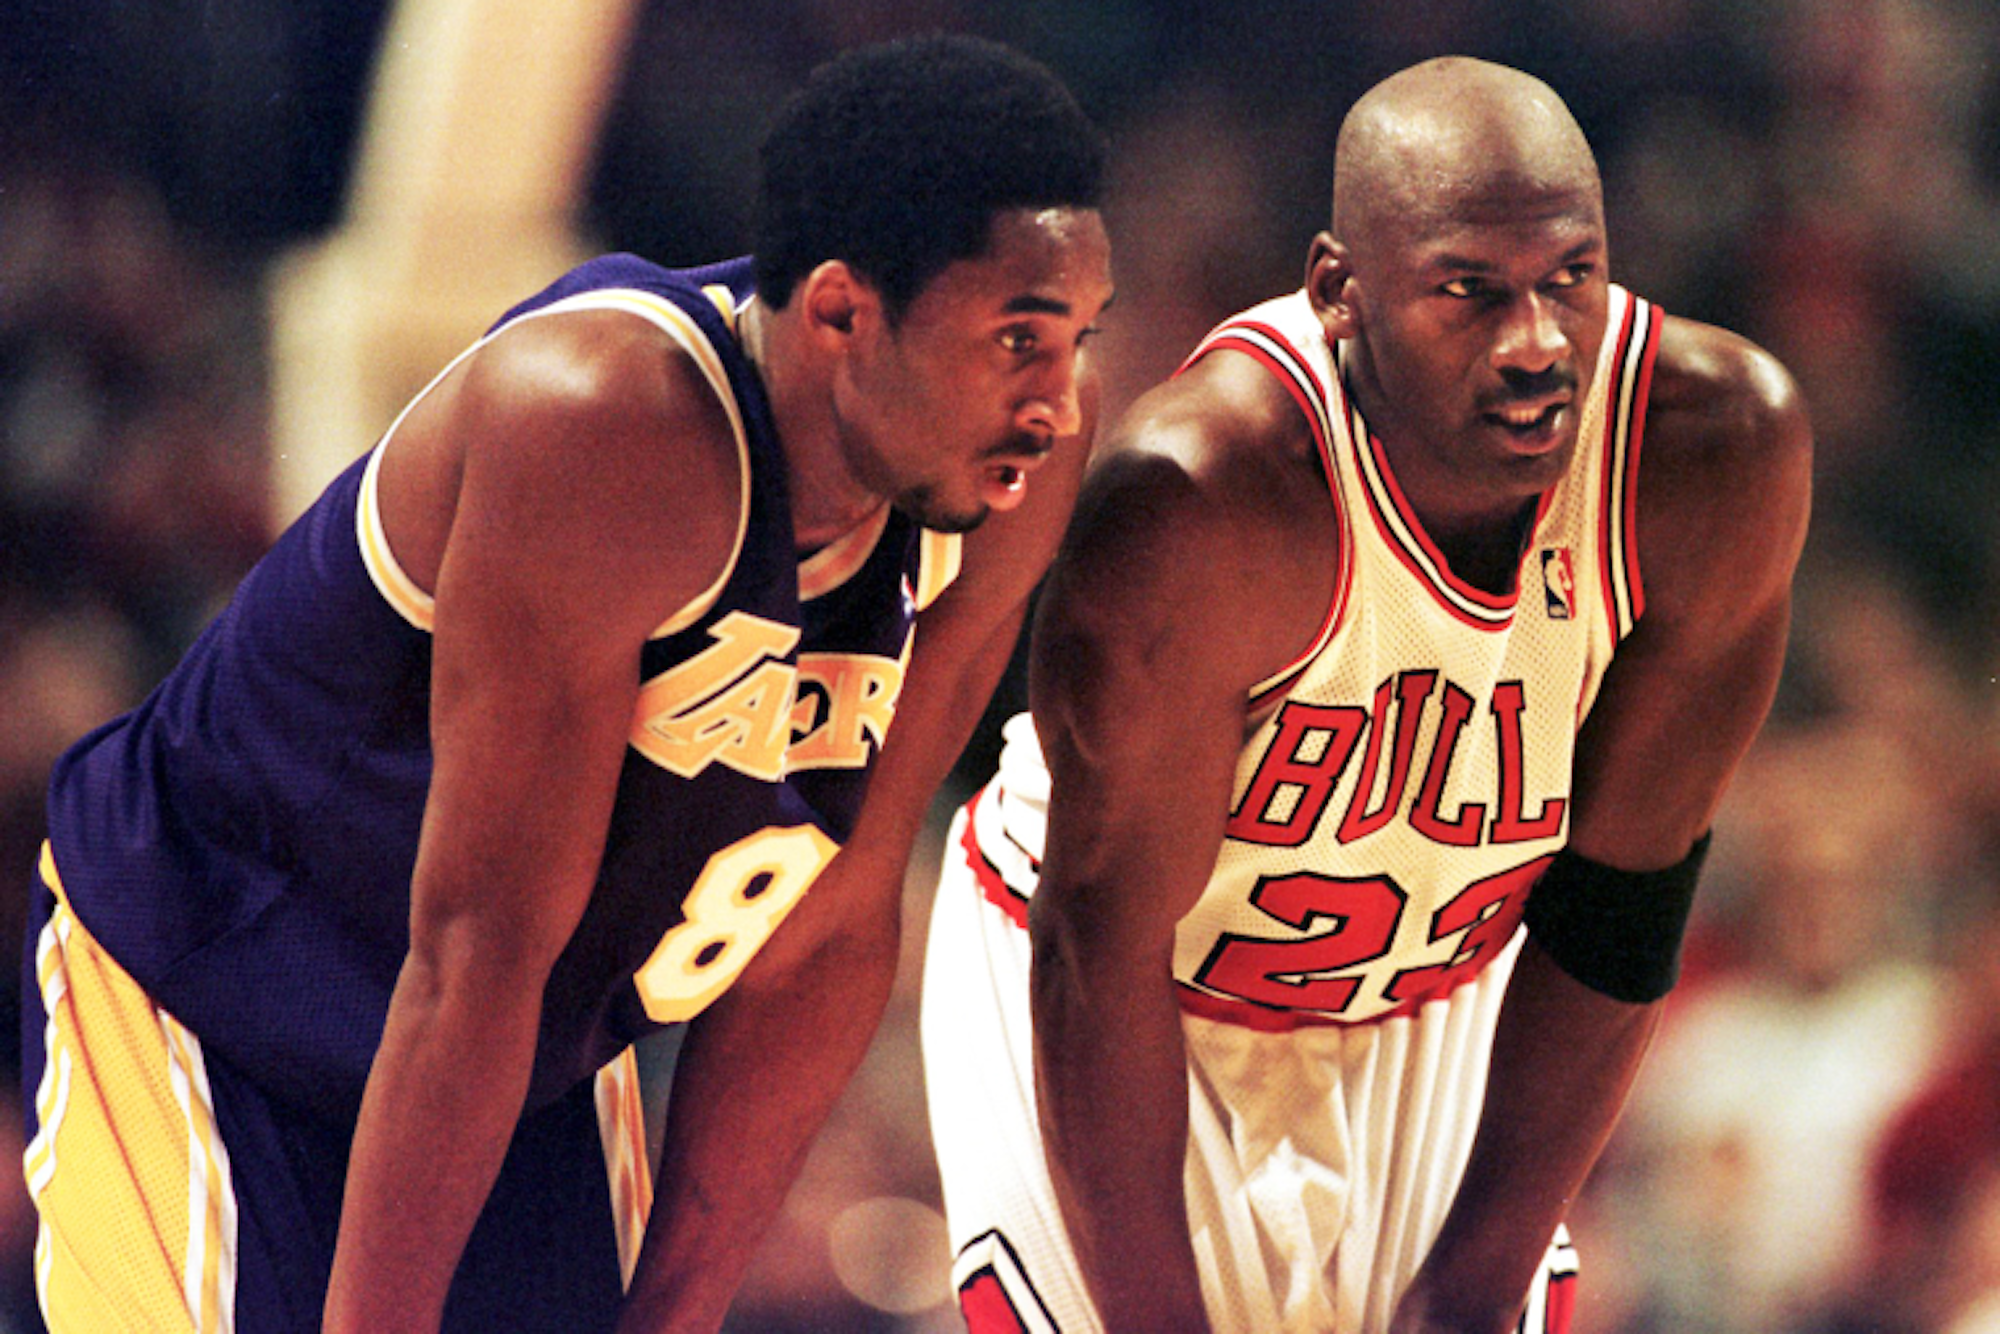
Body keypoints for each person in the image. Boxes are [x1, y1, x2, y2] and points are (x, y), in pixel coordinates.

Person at [23, 34, 1112, 1334]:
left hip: (517, 1049)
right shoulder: (609, 422)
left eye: (1076, 341)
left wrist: (673, 1313)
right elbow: (472, 950)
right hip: (220, 977)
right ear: (837, 314)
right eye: (1018, 341)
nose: (1056, 400)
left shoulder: (1002, 471)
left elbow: (829, 926)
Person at [921, 55, 1810, 1334]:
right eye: (1468, 292)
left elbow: (1620, 905)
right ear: (1338, 291)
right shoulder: (1204, 494)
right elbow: (1095, 946)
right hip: (1122, 992)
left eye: (1571, 277)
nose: (1535, 344)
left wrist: (1474, 1279)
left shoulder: (1712, 448)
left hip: (1428, 992)